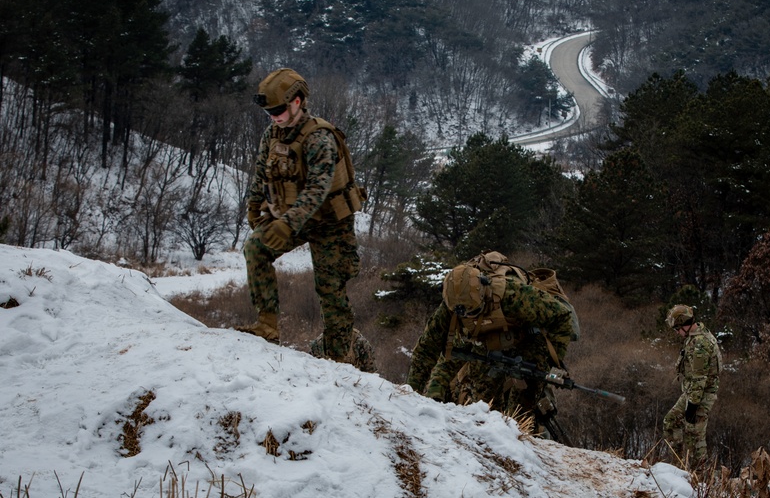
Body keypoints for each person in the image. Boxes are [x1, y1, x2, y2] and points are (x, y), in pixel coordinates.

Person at [236, 67, 375, 372]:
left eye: (278, 110)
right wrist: (254, 206)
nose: (274, 117)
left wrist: (287, 224)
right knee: (256, 249)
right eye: (269, 112)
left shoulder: (319, 138)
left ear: (297, 102)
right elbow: (261, 171)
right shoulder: (272, 134)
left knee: (330, 288)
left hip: (330, 222)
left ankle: (339, 357)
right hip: (294, 217)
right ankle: (267, 325)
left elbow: (317, 188)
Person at [406, 252, 578, 437]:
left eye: (474, 311)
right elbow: (426, 351)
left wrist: (554, 362)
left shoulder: (513, 295)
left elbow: (561, 316)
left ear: (484, 292)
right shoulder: (453, 306)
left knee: (519, 414)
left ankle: (525, 444)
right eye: (463, 314)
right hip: (484, 347)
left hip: (526, 343)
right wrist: (409, 398)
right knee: (484, 410)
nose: (467, 316)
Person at [662, 304, 722, 470]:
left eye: (677, 329)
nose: (677, 333)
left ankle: (699, 475)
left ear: (684, 325)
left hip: (701, 395)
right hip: (692, 392)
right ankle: (678, 465)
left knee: (694, 436)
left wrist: (692, 407)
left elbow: (699, 378)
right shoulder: (697, 335)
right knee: (670, 421)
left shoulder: (699, 344)